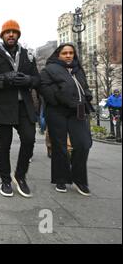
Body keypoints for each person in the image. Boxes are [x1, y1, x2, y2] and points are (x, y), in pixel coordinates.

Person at [0, 20, 40, 198]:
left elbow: (38, 80)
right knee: (4, 145)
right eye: (8, 32)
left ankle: (20, 176)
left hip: (24, 106)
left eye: (14, 32)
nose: (11, 34)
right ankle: (5, 180)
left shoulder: (28, 56)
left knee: (29, 140)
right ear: (2, 35)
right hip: (3, 107)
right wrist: (4, 78)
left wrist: (28, 81)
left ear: (18, 35)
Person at [40, 43, 94, 196]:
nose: (69, 55)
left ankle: (79, 179)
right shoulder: (49, 69)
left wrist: (87, 95)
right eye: (65, 53)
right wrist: (60, 98)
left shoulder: (78, 69)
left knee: (84, 143)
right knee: (60, 146)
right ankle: (61, 178)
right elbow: (44, 88)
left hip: (78, 110)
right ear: (58, 55)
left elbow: (84, 86)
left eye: (71, 53)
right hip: (57, 111)